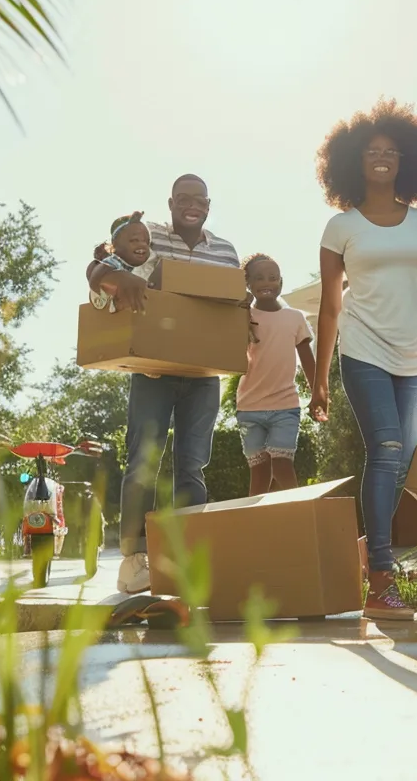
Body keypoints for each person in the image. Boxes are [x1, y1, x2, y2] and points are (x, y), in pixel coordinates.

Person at [309, 99, 417, 622]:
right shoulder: (341, 227)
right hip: (363, 350)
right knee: (387, 449)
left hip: (413, 357)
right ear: (355, 160)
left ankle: (365, 550)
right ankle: (382, 578)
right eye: (372, 151)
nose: (382, 158)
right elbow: (331, 307)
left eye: (391, 151)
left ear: (407, 161)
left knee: (398, 463)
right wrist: (319, 381)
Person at [87, 175, 240, 594]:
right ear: (170, 203)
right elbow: (97, 265)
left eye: (199, 200)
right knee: (143, 463)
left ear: (209, 205)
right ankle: (135, 562)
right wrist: (123, 280)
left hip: (204, 374)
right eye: (183, 199)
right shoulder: (148, 236)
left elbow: (232, 304)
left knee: (192, 465)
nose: (192, 205)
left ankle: (185, 557)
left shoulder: (226, 250)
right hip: (153, 369)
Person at [235, 253, 315, 496]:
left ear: (281, 282)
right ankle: (255, 524)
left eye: (273, 278)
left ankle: (300, 512)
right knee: (259, 472)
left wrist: (318, 394)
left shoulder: (295, 318)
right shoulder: (242, 316)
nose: (267, 283)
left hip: (285, 405)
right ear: (248, 284)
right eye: (259, 278)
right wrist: (240, 312)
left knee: (282, 465)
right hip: (249, 406)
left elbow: (307, 359)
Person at [90, 212, 158, 313]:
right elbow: (96, 274)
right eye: (134, 240)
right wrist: (119, 278)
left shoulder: (147, 265)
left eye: (146, 241)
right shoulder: (114, 263)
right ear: (115, 245)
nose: (142, 245)